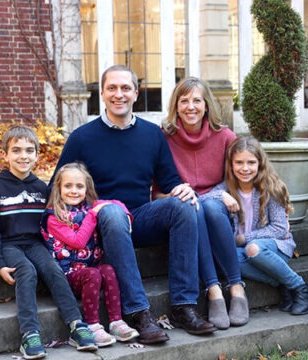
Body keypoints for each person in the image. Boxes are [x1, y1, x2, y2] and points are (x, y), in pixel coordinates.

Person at [48, 64, 216, 344]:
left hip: (139, 216)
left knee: (184, 205)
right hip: (101, 224)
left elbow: (169, 180)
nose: (119, 94)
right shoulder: (82, 138)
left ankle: (183, 306)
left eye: (125, 88)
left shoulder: (152, 135)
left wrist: (182, 190)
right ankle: (138, 312)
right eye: (112, 88)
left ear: (136, 93)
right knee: (112, 211)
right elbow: (56, 188)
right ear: (101, 93)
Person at [0, 126, 98, 359]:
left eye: (29, 150)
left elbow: (55, 214)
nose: (23, 155)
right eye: (16, 150)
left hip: (36, 243)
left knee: (52, 269)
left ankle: (76, 324)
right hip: (9, 245)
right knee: (27, 270)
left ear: (37, 155)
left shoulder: (40, 188)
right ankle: (30, 333)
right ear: (5, 154)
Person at [157, 77, 249, 329]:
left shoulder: (225, 136)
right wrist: (178, 197)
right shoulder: (164, 138)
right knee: (192, 206)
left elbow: (240, 178)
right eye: (183, 101)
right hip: (184, 214)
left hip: (220, 213)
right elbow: (157, 193)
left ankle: (236, 287)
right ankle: (213, 290)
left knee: (206, 205)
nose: (190, 107)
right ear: (175, 106)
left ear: (206, 105)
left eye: (196, 100)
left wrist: (221, 194)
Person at [41, 162, 140, 347]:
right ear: (58, 188)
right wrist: (93, 215)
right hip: (67, 277)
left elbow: (114, 203)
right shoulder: (54, 217)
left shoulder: (88, 206)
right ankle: (93, 326)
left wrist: (125, 214)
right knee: (93, 273)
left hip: (89, 273)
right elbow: (78, 241)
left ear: (87, 189)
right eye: (68, 186)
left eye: (79, 186)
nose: (74, 191)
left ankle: (116, 322)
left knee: (108, 270)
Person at [225, 136, 308, 316]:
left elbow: (280, 229)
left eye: (251, 162)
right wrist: (221, 197)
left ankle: (299, 287)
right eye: (239, 162)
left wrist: (244, 238)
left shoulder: (272, 188)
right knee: (223, 257)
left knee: (253, 248)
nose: (245, 168)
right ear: (231, 164)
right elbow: (204, 197)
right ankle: (281, 282)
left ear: (260, 164)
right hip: (241, 251)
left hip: (273, 247)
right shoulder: (226, 189)